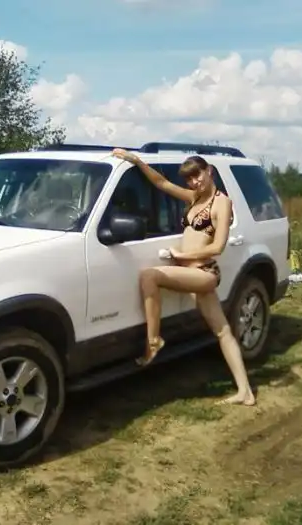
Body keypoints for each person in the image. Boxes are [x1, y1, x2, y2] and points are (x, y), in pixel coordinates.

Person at [110, 148, 256, 406]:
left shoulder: (222, 203)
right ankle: (245, 392)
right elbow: (161, 183)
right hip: (191, 272)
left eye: (197, 175)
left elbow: (218, 247)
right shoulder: (193, 198)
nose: (194, 182)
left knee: (149, 277)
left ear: (209, 171)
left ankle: (154, 341)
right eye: (189, 179)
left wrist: (182, 254)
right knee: (223, 331)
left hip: (204, 273)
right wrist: (136, 160)